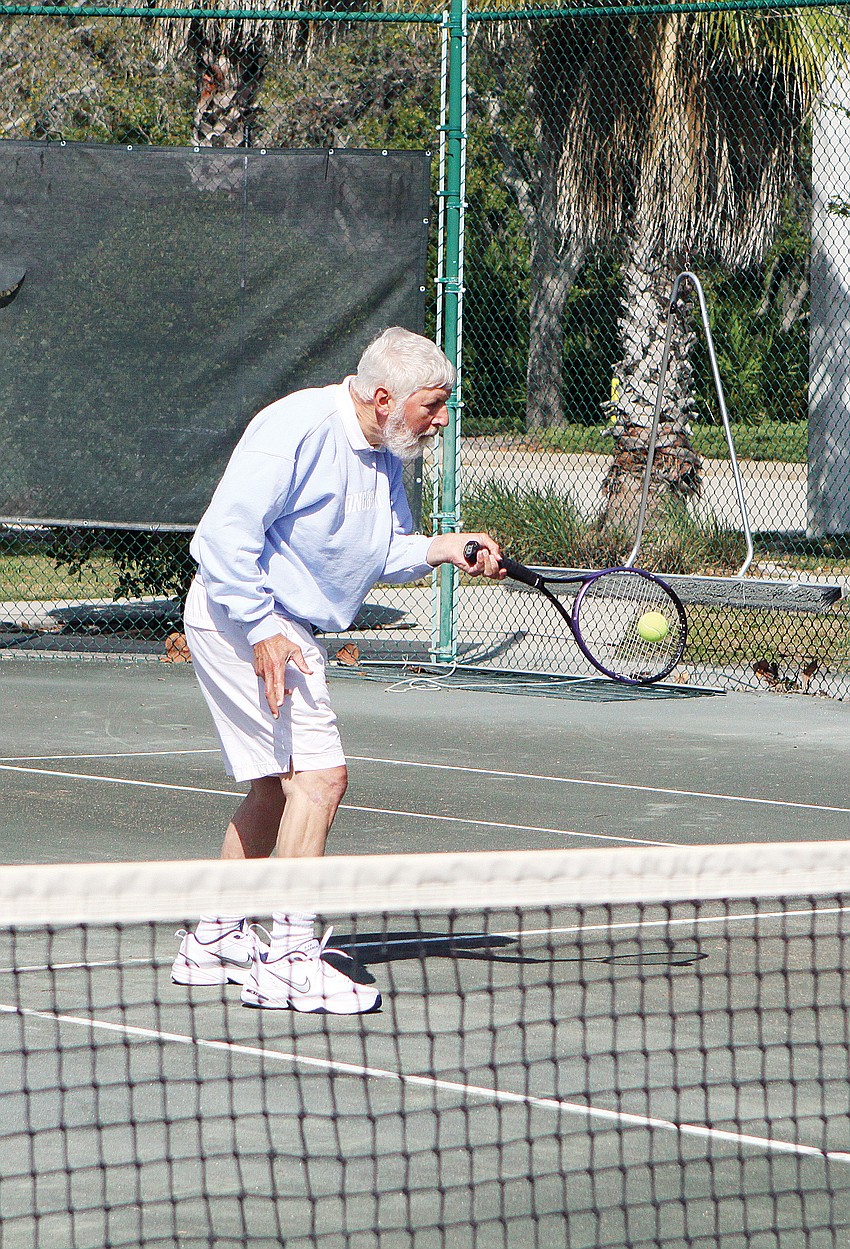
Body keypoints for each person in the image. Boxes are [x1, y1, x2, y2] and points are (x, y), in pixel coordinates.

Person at [171, 326, 504, 1014]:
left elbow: (378, 550)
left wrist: (446, 546)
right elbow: (222, 537)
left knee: (276, 786)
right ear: (384, 397)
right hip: (248, 614)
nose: (441, 420)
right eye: (431, 406)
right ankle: (289, 957)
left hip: (276, 621)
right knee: (320, 778)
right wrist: (263, 630)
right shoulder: (295, 427)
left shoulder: (386, 451)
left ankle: (215, 936)